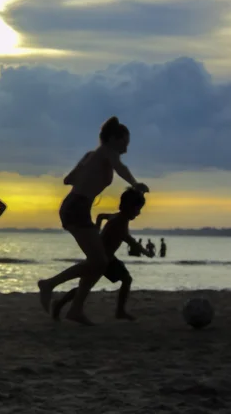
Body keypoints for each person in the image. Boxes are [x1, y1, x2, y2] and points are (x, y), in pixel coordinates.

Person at [38, 116, 149, 325]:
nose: (126, 147)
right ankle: (49, 284)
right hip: (77, 208)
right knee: (99, 261)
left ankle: (76, 309)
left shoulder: (92, 155)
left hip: (75, 206)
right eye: (124, 142)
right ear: (113, 139)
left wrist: (86, 175)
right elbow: (120, 167)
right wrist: (135, 184)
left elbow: (68, 179)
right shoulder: (108, 152)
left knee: (98, 263)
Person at [51, 188, 152, 321]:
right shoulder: (119, 222)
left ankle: (120, 311)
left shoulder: (117, 216)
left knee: (122, 280)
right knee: (85, 286)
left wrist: (97, 230)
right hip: (101, 259)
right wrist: (145, 251)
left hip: (108, 258)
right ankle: (59, 305)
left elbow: (101, 216)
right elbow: (128, 239)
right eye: (137, 209)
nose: (138, 213)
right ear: (128, 207)